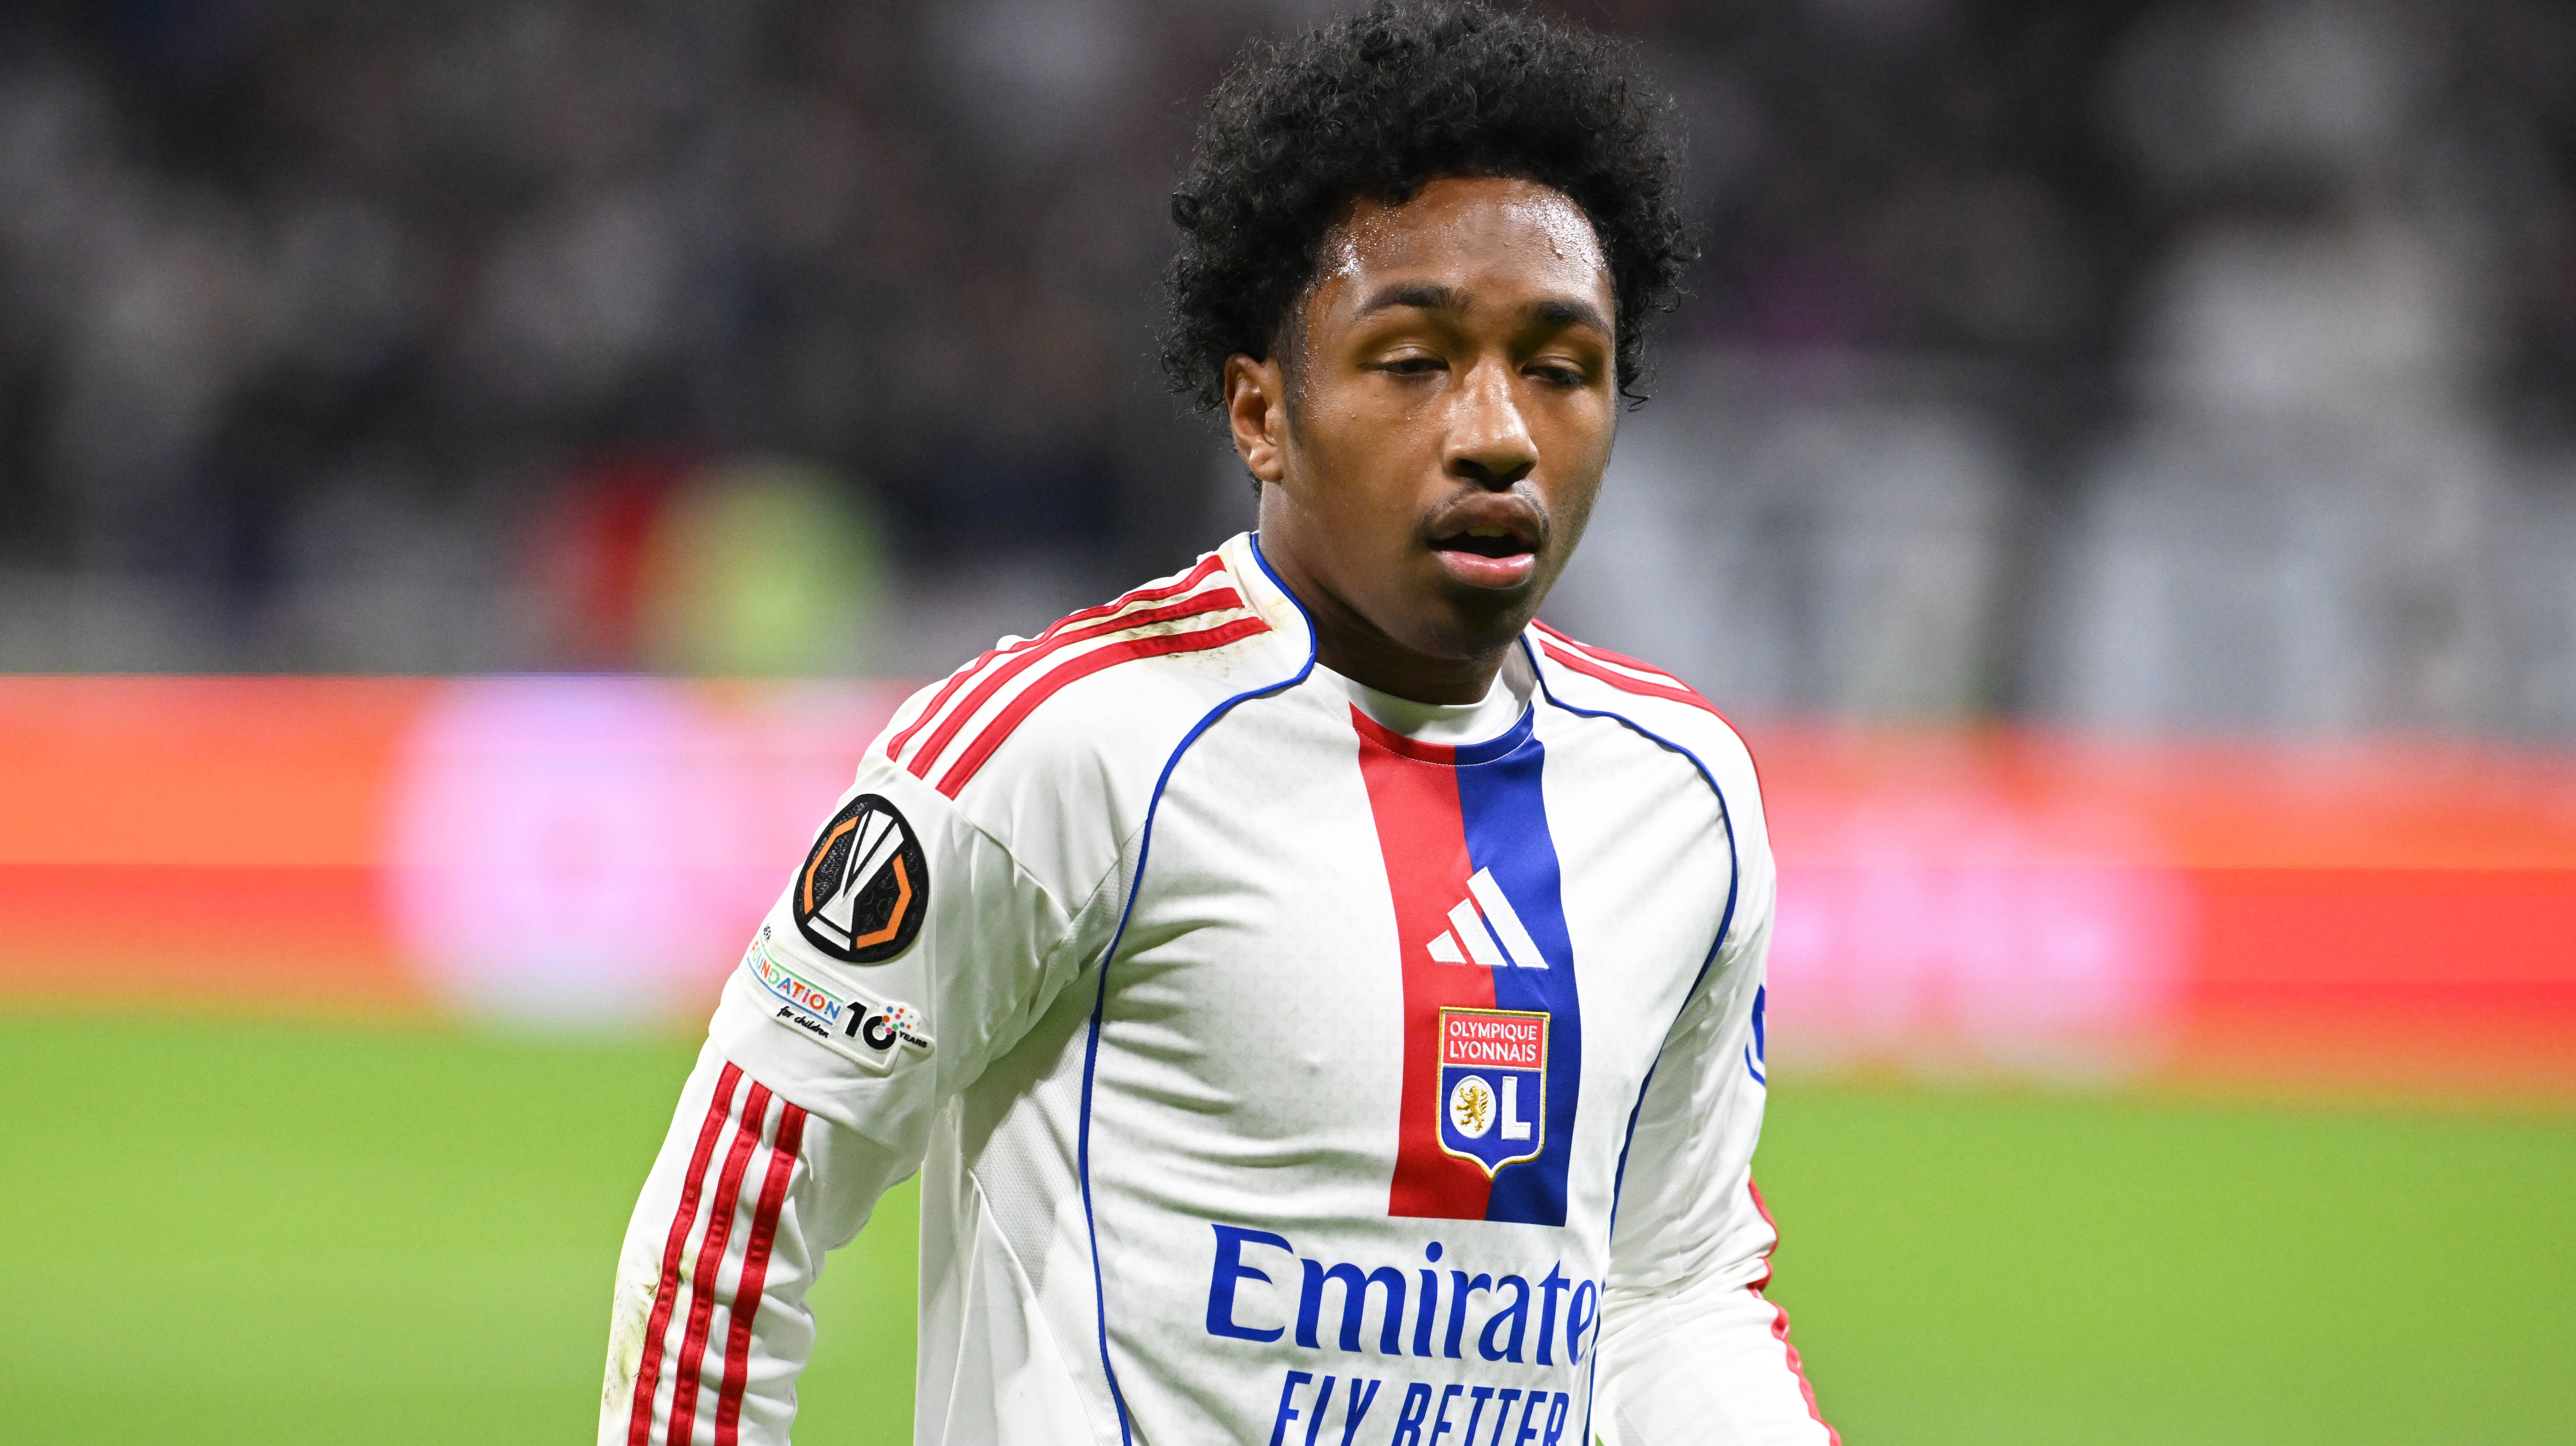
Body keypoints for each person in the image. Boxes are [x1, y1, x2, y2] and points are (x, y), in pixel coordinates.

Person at [599, 5, 1836, 1443]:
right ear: (1262, 410)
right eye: (1414, 360)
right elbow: (734, 1227)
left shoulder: (1678, 793)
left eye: (1560, 367)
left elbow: (1672, 1280)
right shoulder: (1061, 745)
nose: (1499, 429)